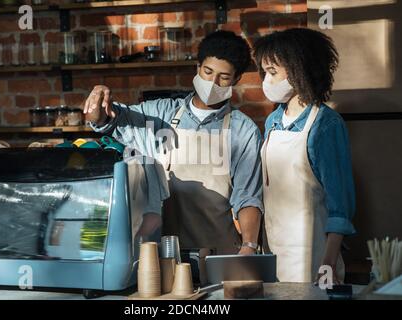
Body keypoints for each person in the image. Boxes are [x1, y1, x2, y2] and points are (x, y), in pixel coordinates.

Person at [83, 30, 263, 255]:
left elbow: (248, 196)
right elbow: (113, 119)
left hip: (220, 253)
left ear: (236, 79)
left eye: (223, 77)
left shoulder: (242, 130)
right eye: (207, 72)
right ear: (197, 68)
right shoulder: (160, 115)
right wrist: (98, 105)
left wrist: (249, 246)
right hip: (165, 254)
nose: (213, 82)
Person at [253, 28, 356, 283]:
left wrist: (329, 263)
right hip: (274, 253)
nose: (266, 80)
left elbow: (340, 206)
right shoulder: (273, 121)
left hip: (314, 260)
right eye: (265, 72)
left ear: (299, 69)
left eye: (273, 73)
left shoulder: (326, 125)